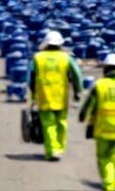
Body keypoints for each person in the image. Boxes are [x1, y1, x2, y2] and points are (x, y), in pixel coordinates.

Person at [79, 53, 115, 191]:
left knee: (104, 157)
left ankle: (109, 184)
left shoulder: (99, 85)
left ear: (105, 69)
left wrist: (83, 116)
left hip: (103, 128)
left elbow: (88, 104)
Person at [28, 30, 82, 161]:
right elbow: (77, 76)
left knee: (48, 124)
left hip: (44, 96)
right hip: (61, 97)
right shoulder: (66, 58)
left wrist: (33, 94)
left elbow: (30, 77)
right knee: (61, 123)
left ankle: (51, 150)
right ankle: (59, 149)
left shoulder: (38, 58)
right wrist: (77, 92)